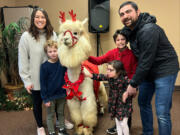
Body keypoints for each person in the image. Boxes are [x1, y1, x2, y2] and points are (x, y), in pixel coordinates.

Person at [119, 1, 179, 135]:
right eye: (122, 14)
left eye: (128, 11)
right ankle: (147, 132)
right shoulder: (131, 30)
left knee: (162, 110)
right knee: (143, 102)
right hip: (148, 70)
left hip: (165, 69)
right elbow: (123, 35)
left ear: (138, 12)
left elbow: (145, 61)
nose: (125, 16)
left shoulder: (148, 30)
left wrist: (133, 84)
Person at [88, 29, 137, 134]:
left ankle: (127, 128)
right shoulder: (112, 53)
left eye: (122, 39)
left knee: (126, 111)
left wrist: (133, 86)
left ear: (126, 40)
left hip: (126, 87)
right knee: (116, 108)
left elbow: (134, 71)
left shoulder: (131, 54)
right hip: (114, 89)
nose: (120, 42)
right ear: (115, 41)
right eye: (118, 40)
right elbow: (98, 60)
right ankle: (117, 127)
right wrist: (87, 57)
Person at [18, 7, 57, 135]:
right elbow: (22, 60)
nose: (40, 19)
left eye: (43, 17)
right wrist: (26, 80)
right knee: (37, 104)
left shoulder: (52, 34)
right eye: (37, 17)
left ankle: (59, 120)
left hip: (52, 77)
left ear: (46, 19)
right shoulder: (26, 37)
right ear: (33, 19)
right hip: (35, 78)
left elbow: (58, 54)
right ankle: (40, 125)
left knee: (56, 99)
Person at [85, 60, 133, 135]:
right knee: (118, 123)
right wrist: (89, 75)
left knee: (123, 124)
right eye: (107, 69)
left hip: (124, 105)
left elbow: (134, 87)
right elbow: (99, 76)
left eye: (111, 70)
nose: (108, 71)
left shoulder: (125, 80)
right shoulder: (109, 77)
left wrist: (127, 93)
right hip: (115, 104)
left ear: (119, 71)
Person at [40, 40, 69, 135]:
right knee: (50, 115)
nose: (53, 53)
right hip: (50, 96)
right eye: (50, 51)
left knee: (61, 113)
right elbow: (43, 83)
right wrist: (45, 99)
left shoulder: (63, 63)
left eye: (55, 51)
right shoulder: (44, 66)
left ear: (58, 51)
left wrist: (68, 88)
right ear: (47, 53)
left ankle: (62, 130)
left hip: (61, 94)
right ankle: (51, 132)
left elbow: (67, 76)